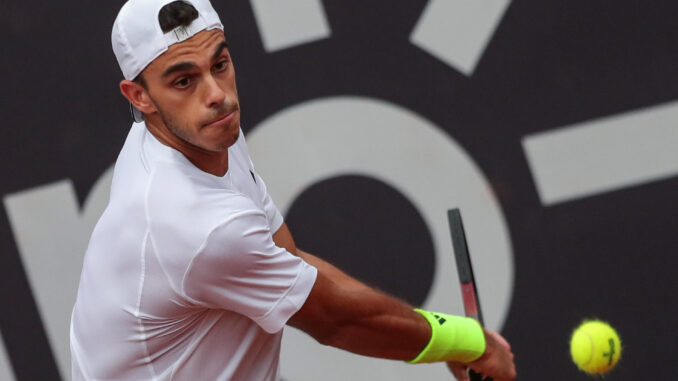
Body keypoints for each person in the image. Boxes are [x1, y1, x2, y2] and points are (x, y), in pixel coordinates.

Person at [69, 0, 517, 380]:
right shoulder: (195, 223)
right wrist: (466, 344)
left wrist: (449, 342)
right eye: (183, 81)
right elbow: (336, 320)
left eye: (220, 65)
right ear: (138, 96)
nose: (216, 95)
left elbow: (289, 257)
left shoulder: (200, 132)